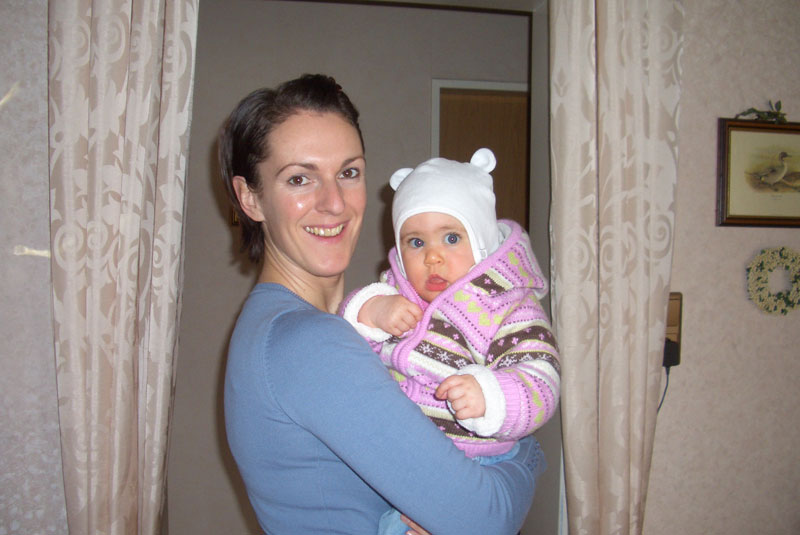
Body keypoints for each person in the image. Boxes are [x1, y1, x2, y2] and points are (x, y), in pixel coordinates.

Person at [221, 74, 545, 535]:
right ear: (250, 198)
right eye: (299, 179)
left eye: (348, 173)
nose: (334, 203)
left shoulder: (281, 326)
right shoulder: (307, 343)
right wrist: (527, 452)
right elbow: (484, 521)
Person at [339, 149, 561, 535]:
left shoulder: (507, 305)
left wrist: (490, 395)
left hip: (473, 462)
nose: (433, 258)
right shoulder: (396, 295)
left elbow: (542, 377)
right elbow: (348, 348)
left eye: (451, 238)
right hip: (397, 460)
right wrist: (372, 312)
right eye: (416, 242)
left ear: (482, 243)